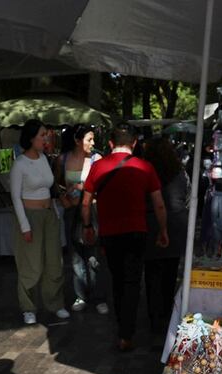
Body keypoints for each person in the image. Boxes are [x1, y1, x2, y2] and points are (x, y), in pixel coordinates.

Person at [80, 124, 169, 352]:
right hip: (137, 231)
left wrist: (88, 226)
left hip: (110, 233)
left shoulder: (98, 166)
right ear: (135, 143)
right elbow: (159, 203)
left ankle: (123, 326)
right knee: (132, 281)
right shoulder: (145, 167)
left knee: (117, 280)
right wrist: (163, 230)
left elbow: (85, 202)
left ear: (110, 143)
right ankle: (126, 332)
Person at [9, 119, 69, 324]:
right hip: (30, 216)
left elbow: (48, 188)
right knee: (30, 264)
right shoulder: (20, 164)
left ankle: (55, 303)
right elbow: (16, 197)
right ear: (31, 137)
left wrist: (54, 212)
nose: (46, 139)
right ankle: (28, 307)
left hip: (49, 216)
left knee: (54, 261)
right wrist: (25, 225)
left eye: (46, 135)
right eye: (42, 135)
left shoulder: (44, 159)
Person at [55, 124, 108, 315]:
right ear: (77, 141)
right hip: (71, 211)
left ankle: (99, 296)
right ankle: (81, 295)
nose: (93, 143)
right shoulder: (63, 159)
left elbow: (103, 187)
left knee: (94, 255)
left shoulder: (97, 159)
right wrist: (64, 199)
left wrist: (83, 188)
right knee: (75, 255)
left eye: (93, 139)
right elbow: (57, 183)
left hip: (92, 209)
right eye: (89, 139)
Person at [141, 137, 189, 334]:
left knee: (151, 273)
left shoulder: (143, 172)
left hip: (150, 223)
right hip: (176, 224)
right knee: (170, 274)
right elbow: (187, 195)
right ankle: (167, 313)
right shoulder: (179, 173)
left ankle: (153, 316)